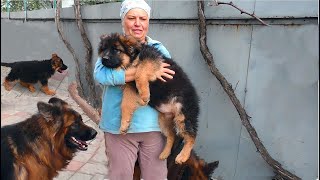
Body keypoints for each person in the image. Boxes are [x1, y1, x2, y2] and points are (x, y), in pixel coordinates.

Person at [93, 0, 175, 179]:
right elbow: (102, 76)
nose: (137, 23)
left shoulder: (157, 48)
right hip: (118, 127)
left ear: (148, 22)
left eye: (142, 19)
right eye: (131, 18)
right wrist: (146, 71)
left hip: (153, 126)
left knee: (157, 176)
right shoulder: (111, 45)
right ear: (123, 21)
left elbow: (168, 77)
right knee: (120, 176)